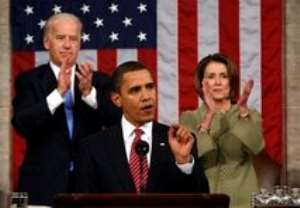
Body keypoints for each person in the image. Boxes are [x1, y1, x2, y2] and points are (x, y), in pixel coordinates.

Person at [11, 13, 121, 205]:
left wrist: (89, 95)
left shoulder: (99, 81)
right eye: (61, 38)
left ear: (80, 43)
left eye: (74, 39)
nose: (68, 45)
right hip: (42, 184)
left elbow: (117, 121)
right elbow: (22, 124)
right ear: (47, 43)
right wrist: (58, 94)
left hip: (89, 184)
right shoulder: (29, 81)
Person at [76, 61, 209, 193]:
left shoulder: (179, 141)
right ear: (117, 99)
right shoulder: (93, 148)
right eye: (135, 90)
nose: (146, 96)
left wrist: (184, 163)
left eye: (150, 87)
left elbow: (200, 199)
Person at [180, 53, 265, 208]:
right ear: (201, 83)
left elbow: (256, 146)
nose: (218, 82)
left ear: (231, 83)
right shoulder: (189, 118)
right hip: (203, 200)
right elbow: (194, 156)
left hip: (243, 202)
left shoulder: (249, 115)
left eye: (224, 76)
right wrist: (209, 115)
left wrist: (243, 113)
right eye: (211, 77)